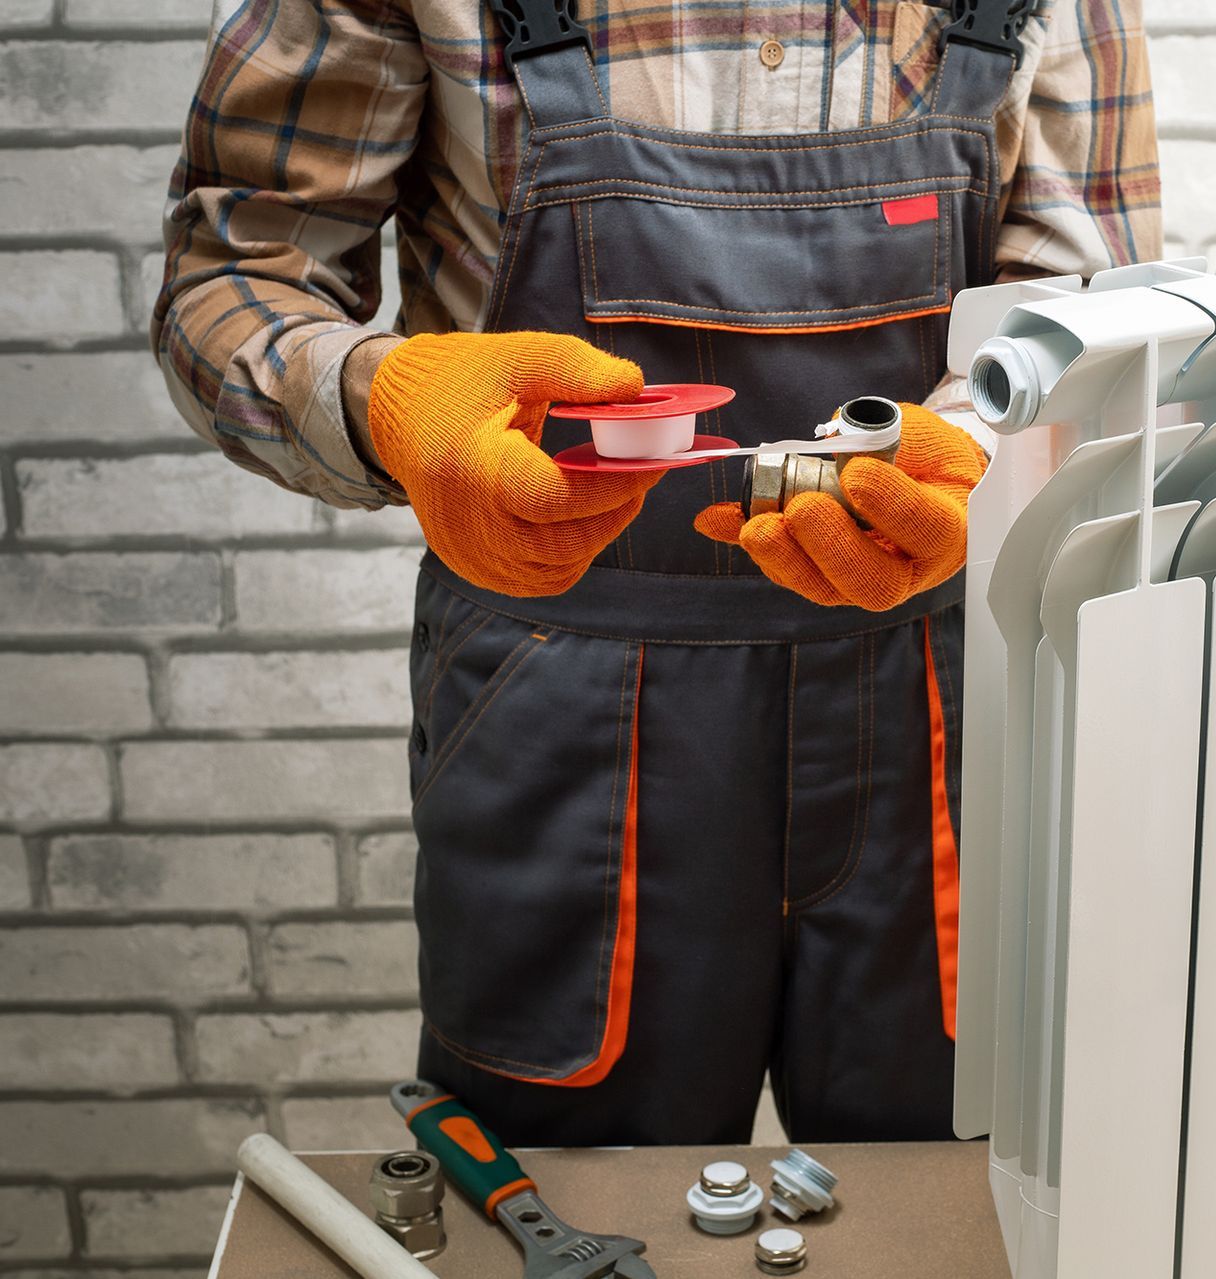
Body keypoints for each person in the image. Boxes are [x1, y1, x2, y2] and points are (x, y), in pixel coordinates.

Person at [152, 0, 1160, 1146]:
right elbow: (231, 271)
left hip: (945, 709)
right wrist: (383, 403)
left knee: (962, 1197)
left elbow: (1098, 317)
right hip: (560, 700)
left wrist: (984, 456)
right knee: (570, 1200)